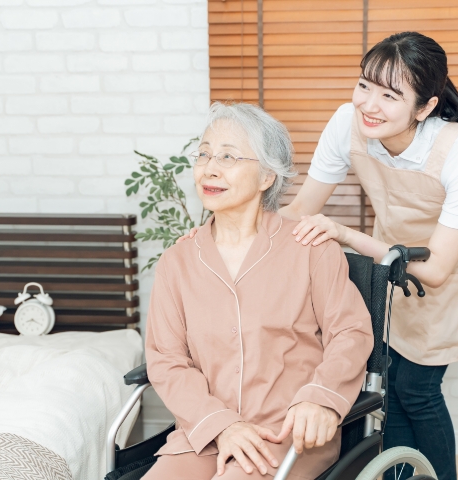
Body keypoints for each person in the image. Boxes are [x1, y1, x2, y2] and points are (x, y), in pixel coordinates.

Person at [180, 32, 458, 480]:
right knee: (388, 380)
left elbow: (435, 269)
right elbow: (299, 209)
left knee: (418, 388)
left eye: (390, 95)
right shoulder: (346, 122)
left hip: (455, 258)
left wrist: (344, 233)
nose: (370, 104)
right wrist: (226, 234)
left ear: (425, 107)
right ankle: (399, 474)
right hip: (390, 243)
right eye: (365, 86)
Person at [143, 102, 374, 480]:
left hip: (287, 433)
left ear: (267, 176)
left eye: (228, 156)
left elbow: (349, 332)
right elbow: (167, 360)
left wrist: (321, 399)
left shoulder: (311, 248)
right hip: (206, 433)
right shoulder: (178, 261)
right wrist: (220, 425)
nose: (210, 167)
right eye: (203, 154)